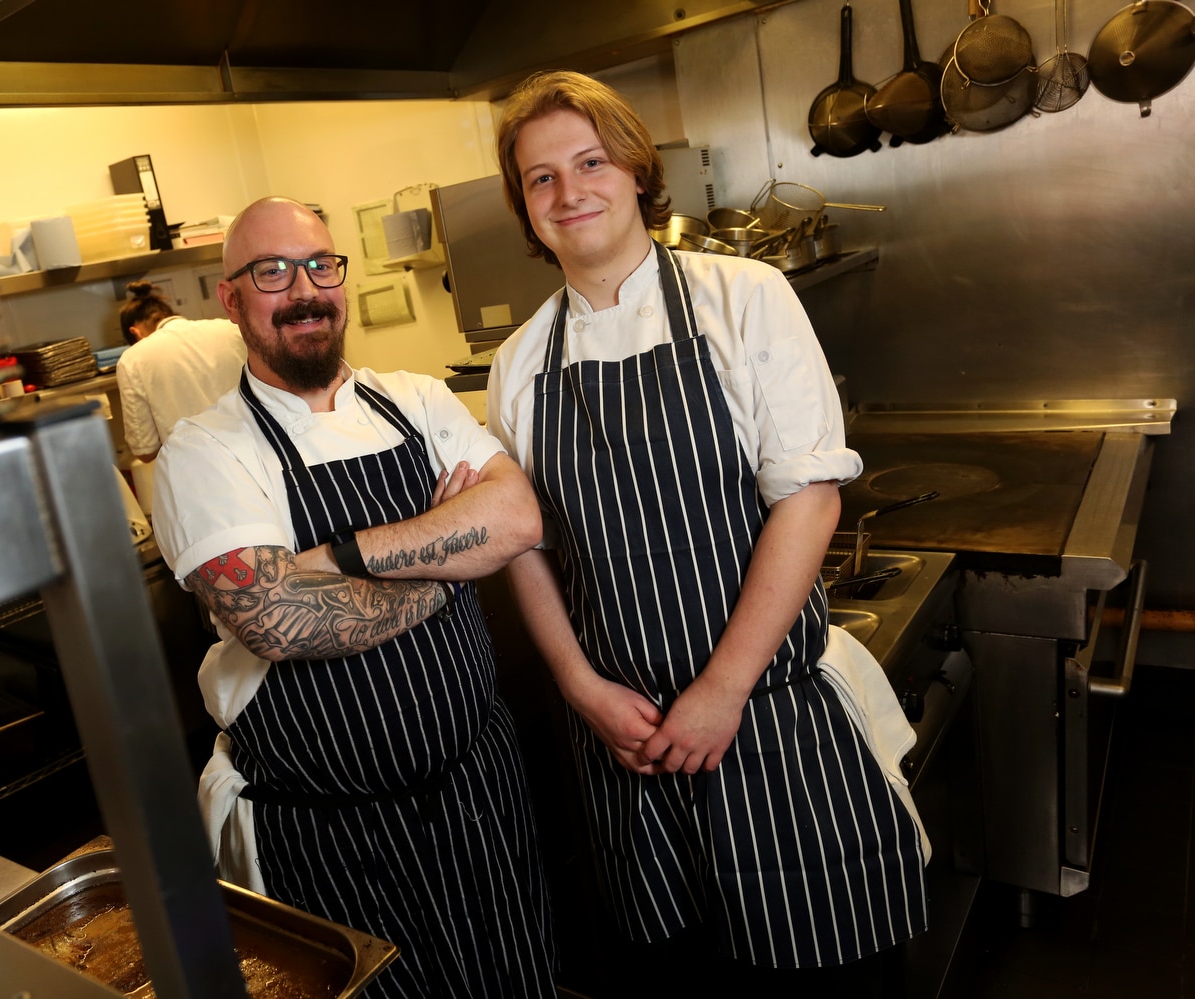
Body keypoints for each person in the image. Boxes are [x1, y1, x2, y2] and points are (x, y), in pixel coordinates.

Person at [485, 71, 928, 996]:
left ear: (638, 173)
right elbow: (528, 548)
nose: (570, 193)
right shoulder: (520, 362)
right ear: (524, 212)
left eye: (591, 162)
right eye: (540, 179)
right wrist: (582, 689)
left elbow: (808, 497)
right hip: (628, 747)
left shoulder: (744, 296)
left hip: (765, 724)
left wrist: (722, 690)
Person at [150, 196, 558, 999]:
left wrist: (336, 558)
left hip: (480, 792)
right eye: (271, 271)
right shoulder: (204, 451)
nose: (303, 288)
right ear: (231, 298)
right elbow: (275, 616)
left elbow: (514, 517)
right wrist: (447, 555)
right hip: (329, 830)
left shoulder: (416, 398)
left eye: (319, 265)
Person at [114, 280, 248, 462]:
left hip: (198, 470)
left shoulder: (133, 359)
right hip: (261, 456)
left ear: (135, 332)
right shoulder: (231, 329)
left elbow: (145, 451)